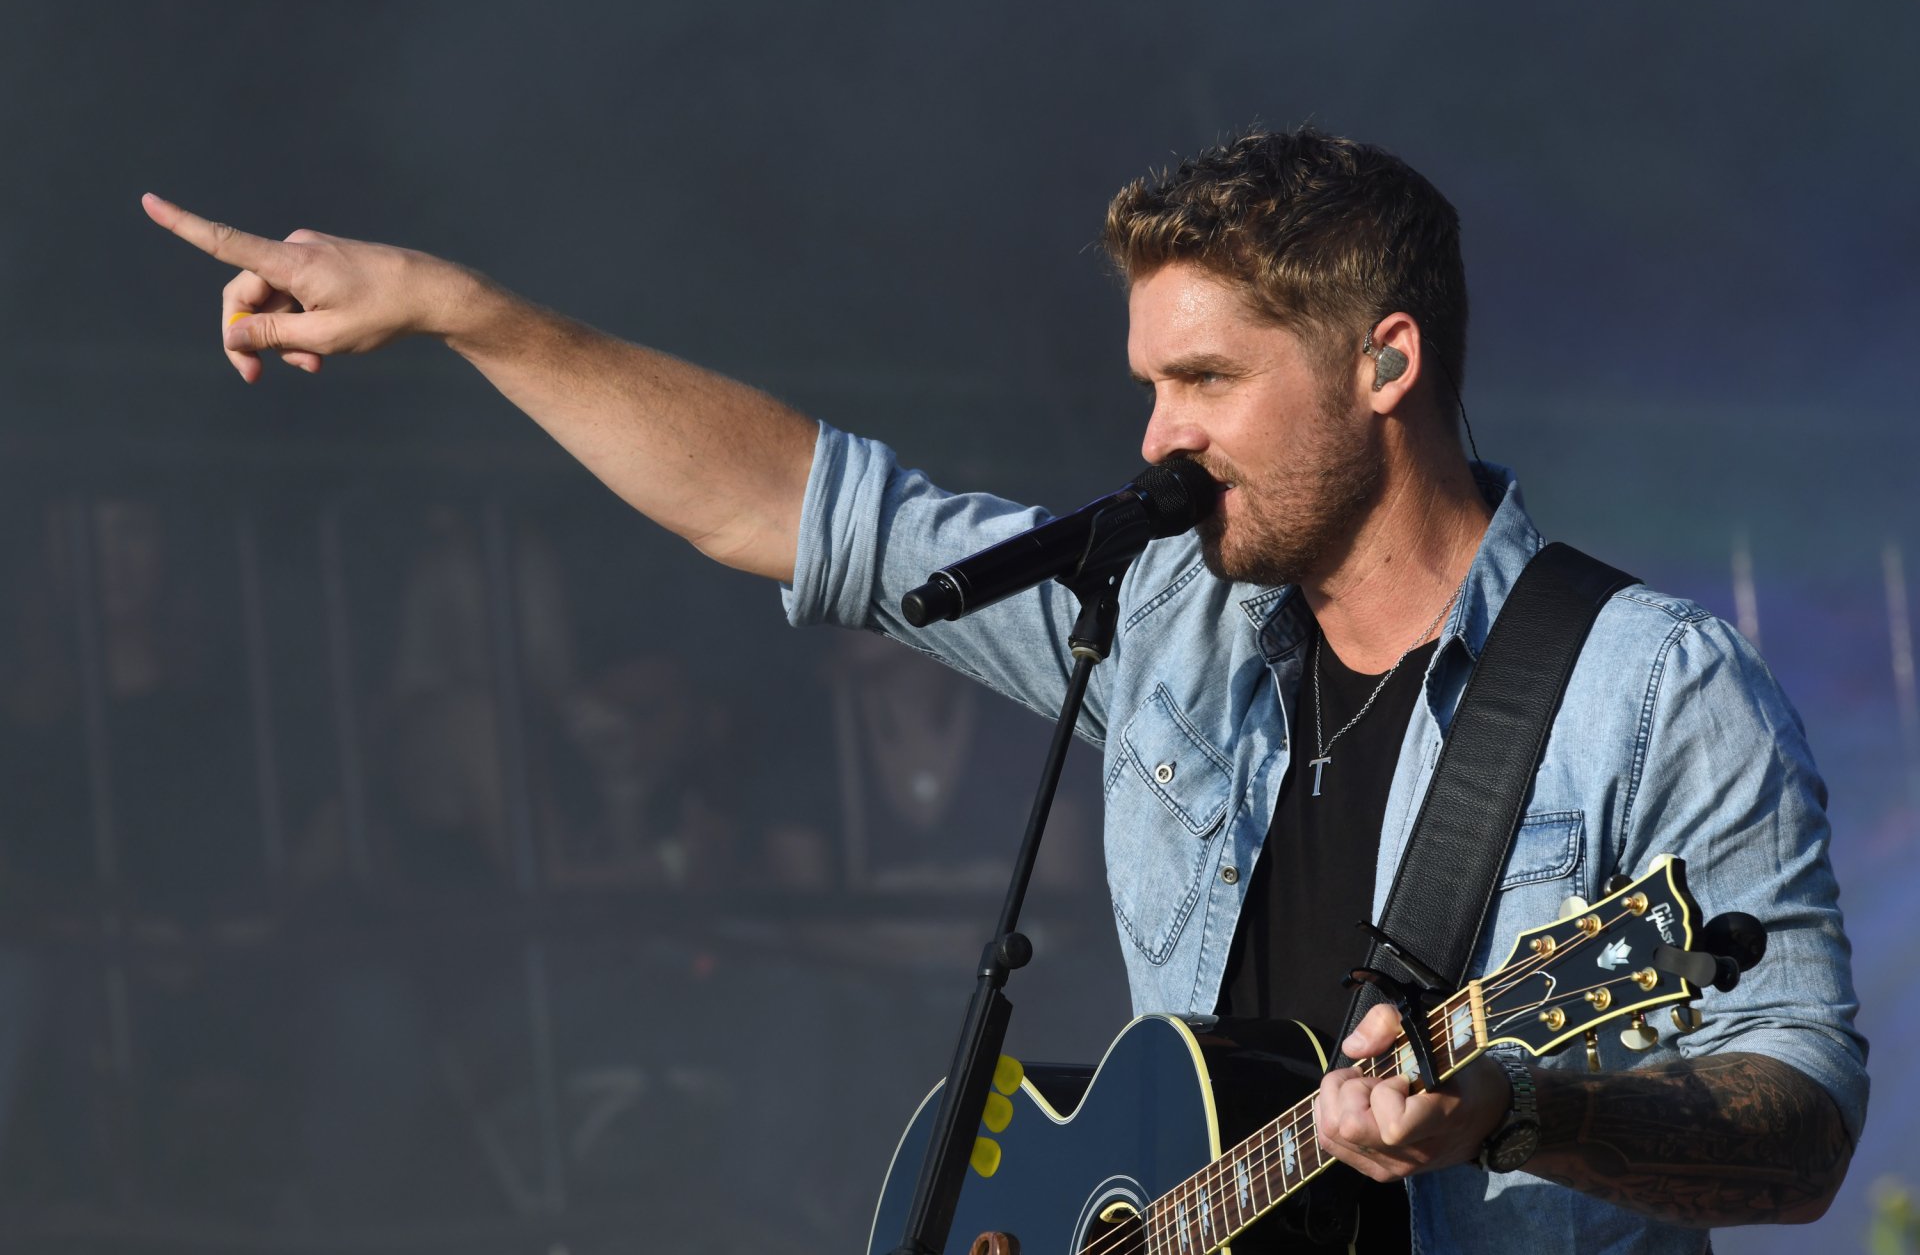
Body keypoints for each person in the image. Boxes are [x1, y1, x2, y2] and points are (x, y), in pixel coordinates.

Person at [142, 126, 1866, 1251]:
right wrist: (459, 314)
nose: (1155, 436)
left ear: (1386, 363)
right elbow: (793, 507)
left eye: (1203, 379)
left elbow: (1800, 1131)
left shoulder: (1650, 691)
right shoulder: (1171, 618)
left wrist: (1525, 1105)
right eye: (1148, 381)